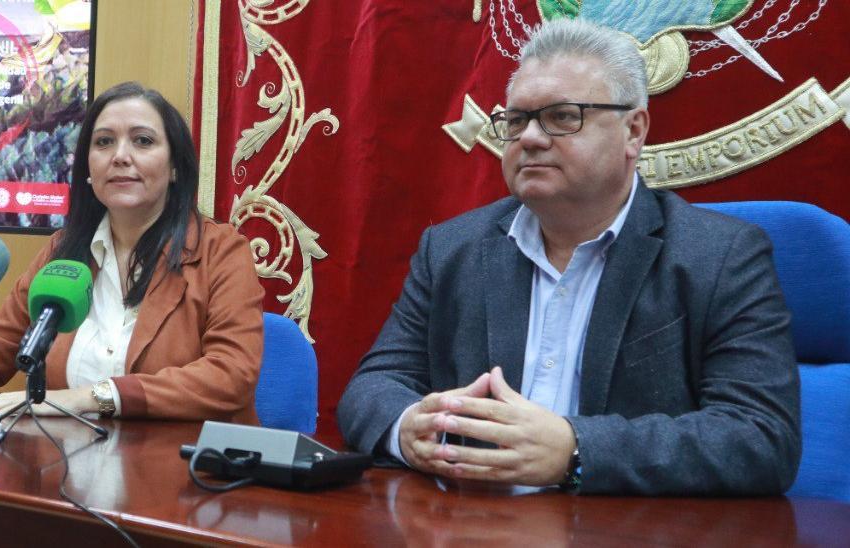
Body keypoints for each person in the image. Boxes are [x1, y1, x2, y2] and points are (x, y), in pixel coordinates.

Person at [336, 19, 800, 495]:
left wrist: (576, 450)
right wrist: (408, 426)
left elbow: (760, 438)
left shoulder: (719, 256)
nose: (530, 138)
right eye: (516, 121)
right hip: (469, 524)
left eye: (562, 117)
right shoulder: (452, 249)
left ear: (633, 131)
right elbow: (374, 386)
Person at [0, 82, 265, 423]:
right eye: (103, 142)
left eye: (142, 141)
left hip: (185, 482)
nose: (120, 157)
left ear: (175, 167)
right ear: (87, 167)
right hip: (71, 470)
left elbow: (231, 374)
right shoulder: (66, 250)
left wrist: (93, 397)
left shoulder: (219, 252)